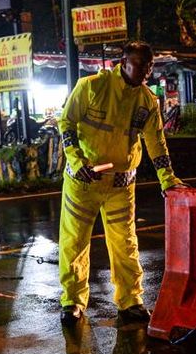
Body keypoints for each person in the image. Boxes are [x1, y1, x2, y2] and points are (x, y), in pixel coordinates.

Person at [57, 40, 186, 325]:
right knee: (74, 242)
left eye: (149, 65)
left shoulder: (148, 101)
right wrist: (76, 160)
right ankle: (72, 301)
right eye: (140, 64)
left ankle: (130, 301)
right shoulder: (91, 86)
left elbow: (157, 143)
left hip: (120, 186)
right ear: (124, 61)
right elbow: (65, 122)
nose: (145, 71)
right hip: (83, 183)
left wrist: (168, 179)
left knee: (125, 243)